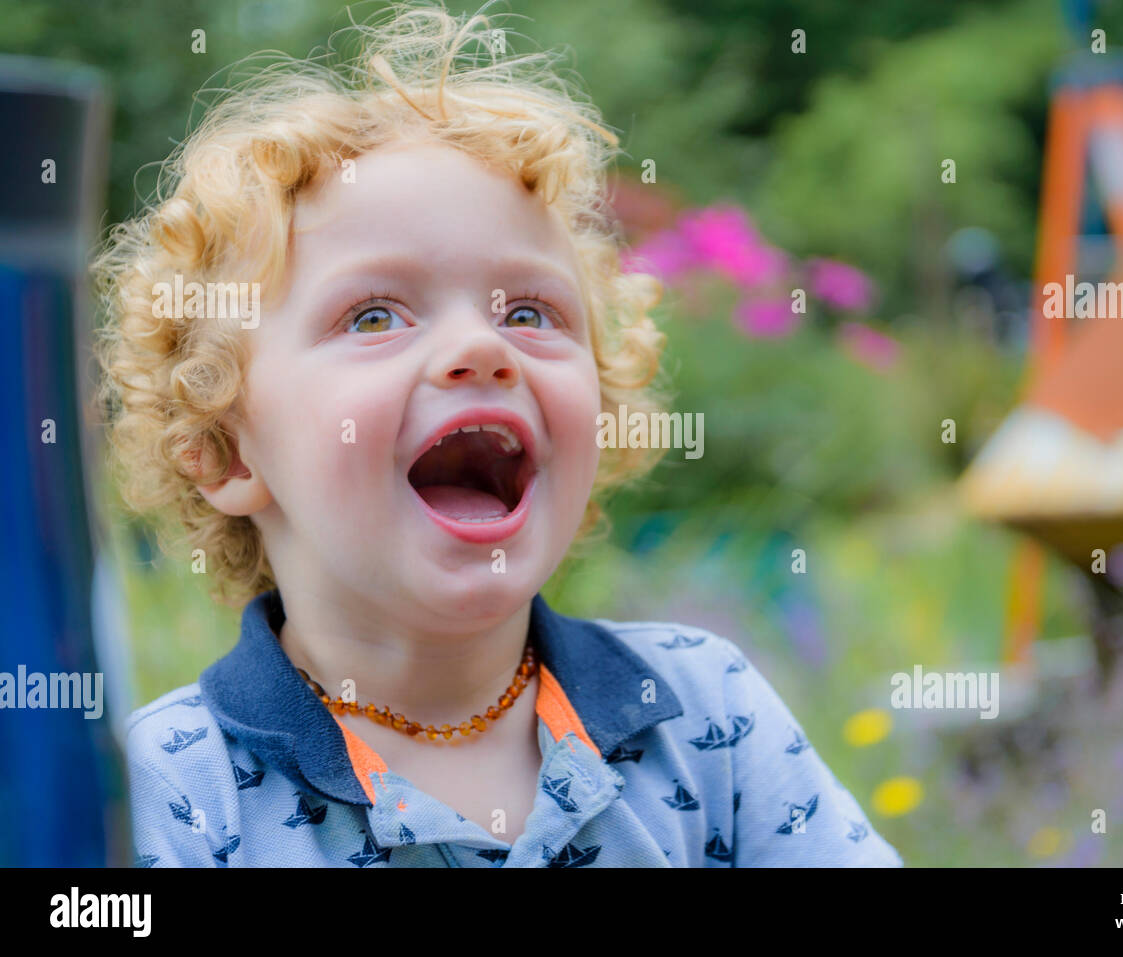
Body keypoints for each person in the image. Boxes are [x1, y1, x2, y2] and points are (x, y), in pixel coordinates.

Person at [93, 1, 902, 868]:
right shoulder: (170, 799)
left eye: (528, 309)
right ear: (229, 451)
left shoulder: (704, 717)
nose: (482, 346)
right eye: (373, 315)